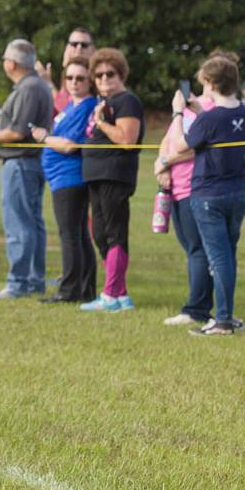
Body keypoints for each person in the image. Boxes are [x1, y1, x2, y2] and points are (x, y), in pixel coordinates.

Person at [173, 54, 245, 335]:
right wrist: (198, 110)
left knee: (218, 259)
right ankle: (225, 315)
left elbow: (181, 146)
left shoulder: (209, 118)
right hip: (237, 192)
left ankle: (222, 320)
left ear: (210, 83)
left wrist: (179, 112)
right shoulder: (243, 112)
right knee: (228, 255)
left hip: (209, 194)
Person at [0, 39, 53, 300]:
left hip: (20, 163)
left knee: (19, 223)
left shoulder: (28, 88)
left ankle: (18, 282)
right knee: (33, 222)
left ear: (13, 63)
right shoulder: (36, 85)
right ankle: (34, 280)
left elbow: (18, 130)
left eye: (5, 59)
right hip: (30, 163)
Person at [78, 47, 145, 312]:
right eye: (99, 75)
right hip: (95, 174)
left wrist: (103, 123)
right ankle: (119, 292)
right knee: (100, 234)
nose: (104, 79)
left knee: (114, 233)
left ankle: (110, 295)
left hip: (114, 174)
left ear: (121, 74)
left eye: (110, 73)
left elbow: (128, 140)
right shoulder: (100, 103)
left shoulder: (127, 101)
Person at [32, 58, 98, 303]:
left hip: (70, 177)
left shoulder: (86, 106)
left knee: (70, 234)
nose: (74, 83)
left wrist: (43, 138)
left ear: (89, 81)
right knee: (78, 233)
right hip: (61, 177)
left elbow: (70, 145)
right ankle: (84, 288)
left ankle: (70, 290)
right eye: (69, 78)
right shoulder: (71, 104)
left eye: (80, 78)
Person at [154, 71, 216, 327]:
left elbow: (194, 146)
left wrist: (167, 160)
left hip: (194, 186)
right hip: (175, 187)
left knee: (198, 249)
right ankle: (197, 304)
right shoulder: (188, 107)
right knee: (191, 247)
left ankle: (197, 309)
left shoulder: (209, 109)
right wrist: (161, 163)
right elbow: (168, 140)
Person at [41, 27, 95, 116]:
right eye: (74, 44)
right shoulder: (66, 70)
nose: (79, 48)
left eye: (84, 45)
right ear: (67, 48)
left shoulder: (99, 76)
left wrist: (48, 85)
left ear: (93, 49)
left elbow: (67, 110)